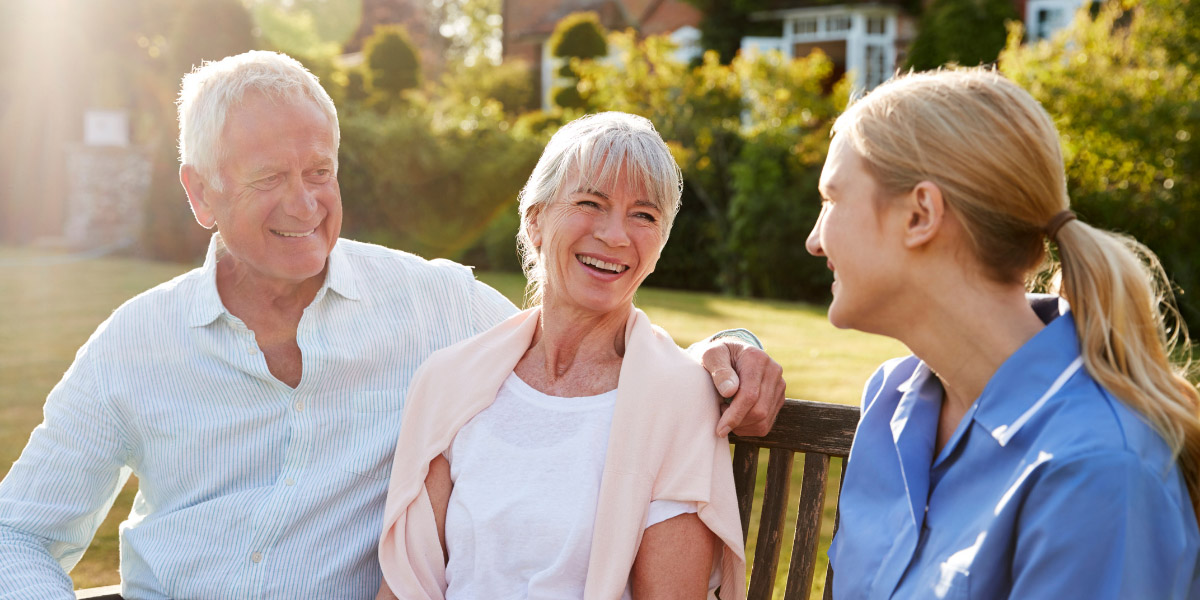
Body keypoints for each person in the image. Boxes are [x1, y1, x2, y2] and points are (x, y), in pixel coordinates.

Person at [0, 51, 784, 599]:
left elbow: (578, 343)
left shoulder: (433, 305)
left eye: (320, 173)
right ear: (200, 194)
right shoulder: (134, 345)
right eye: (271, 178)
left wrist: (731, 349)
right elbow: (20, 534)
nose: (307, 205)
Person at [806, 67, 1200, 599]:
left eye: (832, 199)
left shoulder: (1098, 470)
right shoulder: (890, 400)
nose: (814, 239)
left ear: (920, 214)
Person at [375, 112, 745, 600]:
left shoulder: (676, 398)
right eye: (591, 203)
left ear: (660, 244)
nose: (616, 235)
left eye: (644, 215)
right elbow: (407, 586)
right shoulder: (451, 383)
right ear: (536, 222)